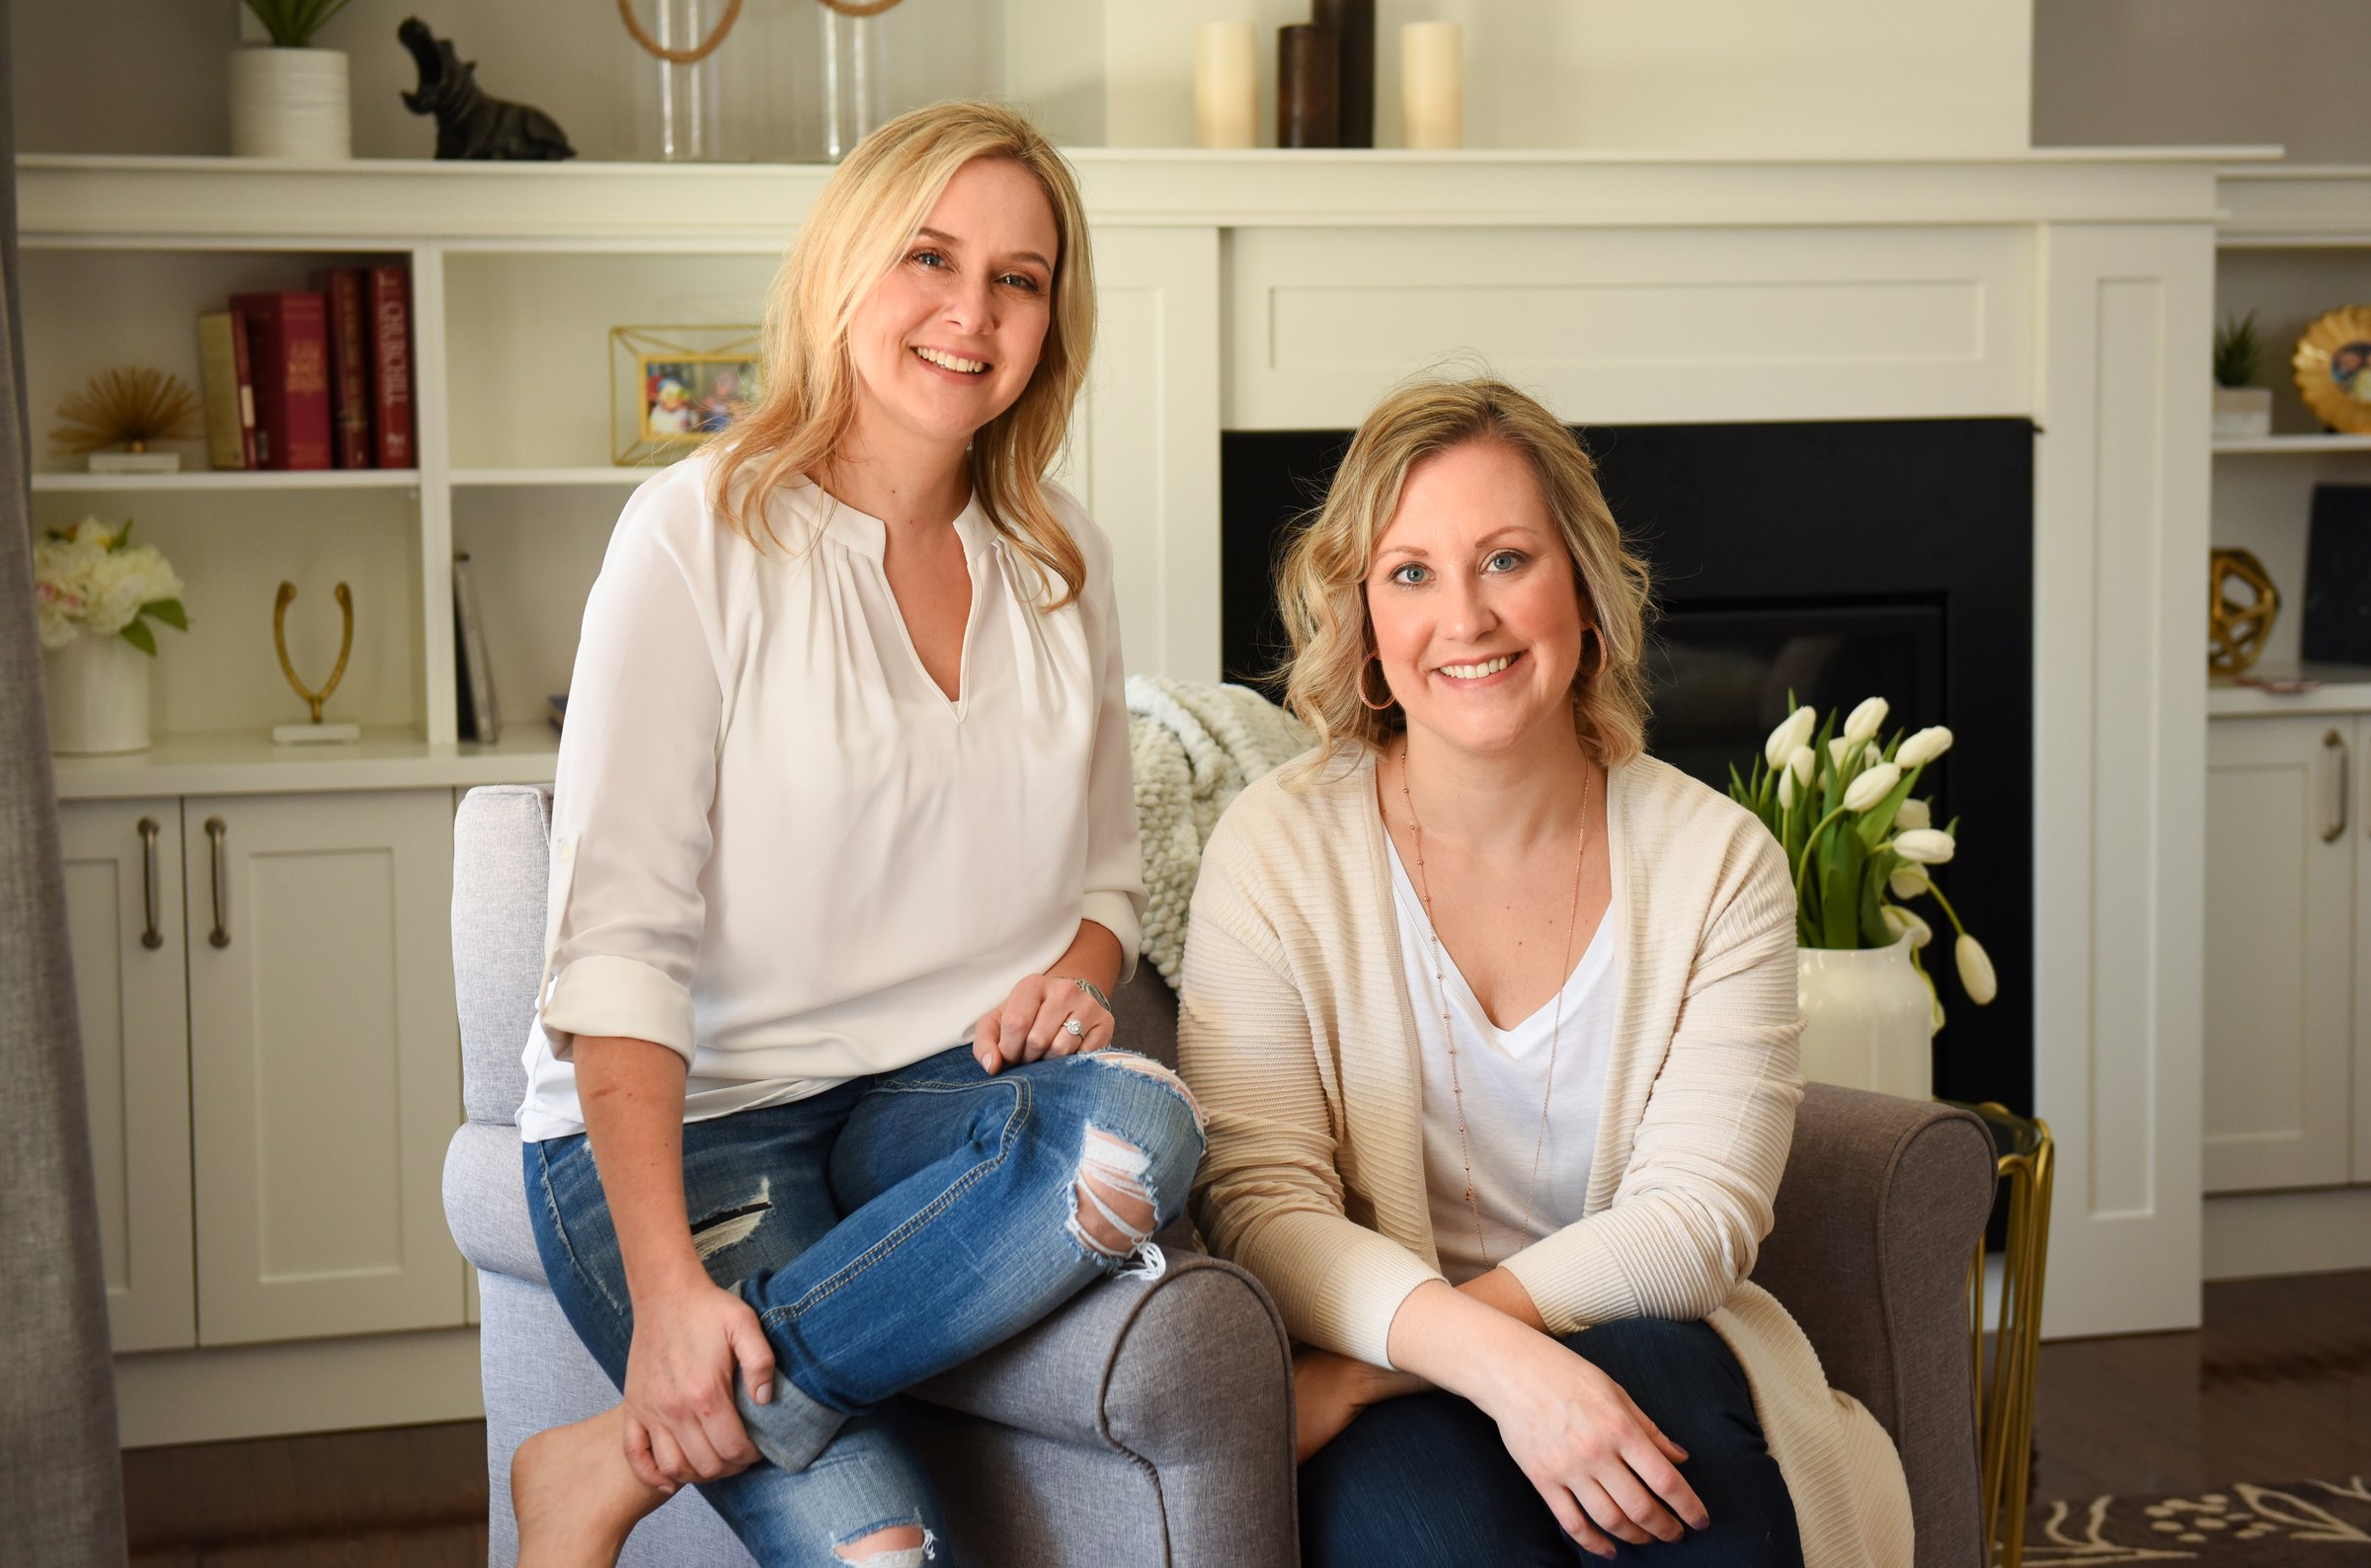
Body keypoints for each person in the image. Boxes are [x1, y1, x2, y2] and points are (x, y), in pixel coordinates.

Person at [509, 100, 1205, 1568]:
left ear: (1050, 322)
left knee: (1142, 1132)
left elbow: (1106, 886)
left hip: (926, 1108)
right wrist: (664, 1287)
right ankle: (685, 1402)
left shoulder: (1057, 559)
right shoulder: (693, 537)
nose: (972, 312)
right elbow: (616, 952)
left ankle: (620, 1461)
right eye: (930, 258)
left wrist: (1074, 975)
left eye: (1019, 279)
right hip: (696, 1134)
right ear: (842, 274)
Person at [1178, 377, 1911, 1566]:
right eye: (1410, 572)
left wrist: (1396, 1369)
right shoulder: (1276, 847)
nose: (1463, 618)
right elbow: (1262, 1204)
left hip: (1623, 1339)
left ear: (1584, 588)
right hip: (1388, 1346)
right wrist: (1487, 1368)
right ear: (1364, 617)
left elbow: (1696, 1218)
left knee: (1682, 1487)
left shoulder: (1718, 861)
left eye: (1505, 559)